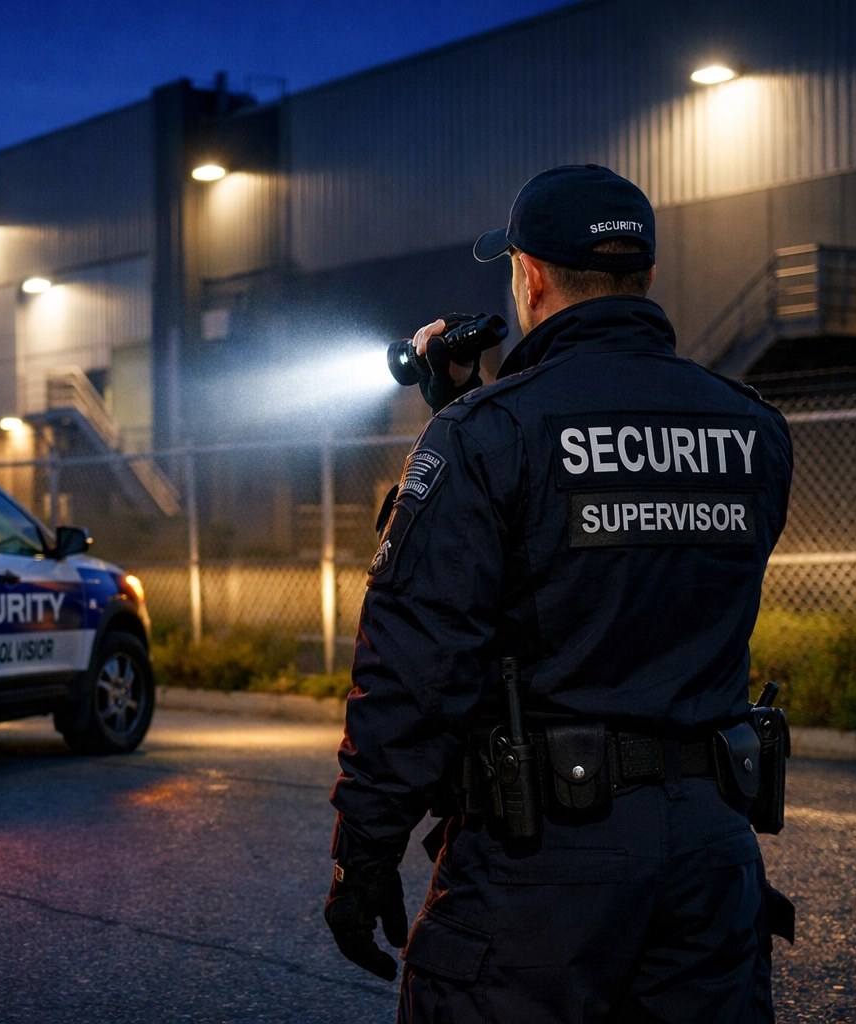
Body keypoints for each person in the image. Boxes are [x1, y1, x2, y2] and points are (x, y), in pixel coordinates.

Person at [324, 164, 796, 1023]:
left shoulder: (487, 437)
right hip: (712, 853)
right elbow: (638, 576)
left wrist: (364, 855)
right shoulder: (752, 428)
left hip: (542, 867)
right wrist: (477, 410)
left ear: (530, 277)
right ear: (645, 275)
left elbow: (416, 669)